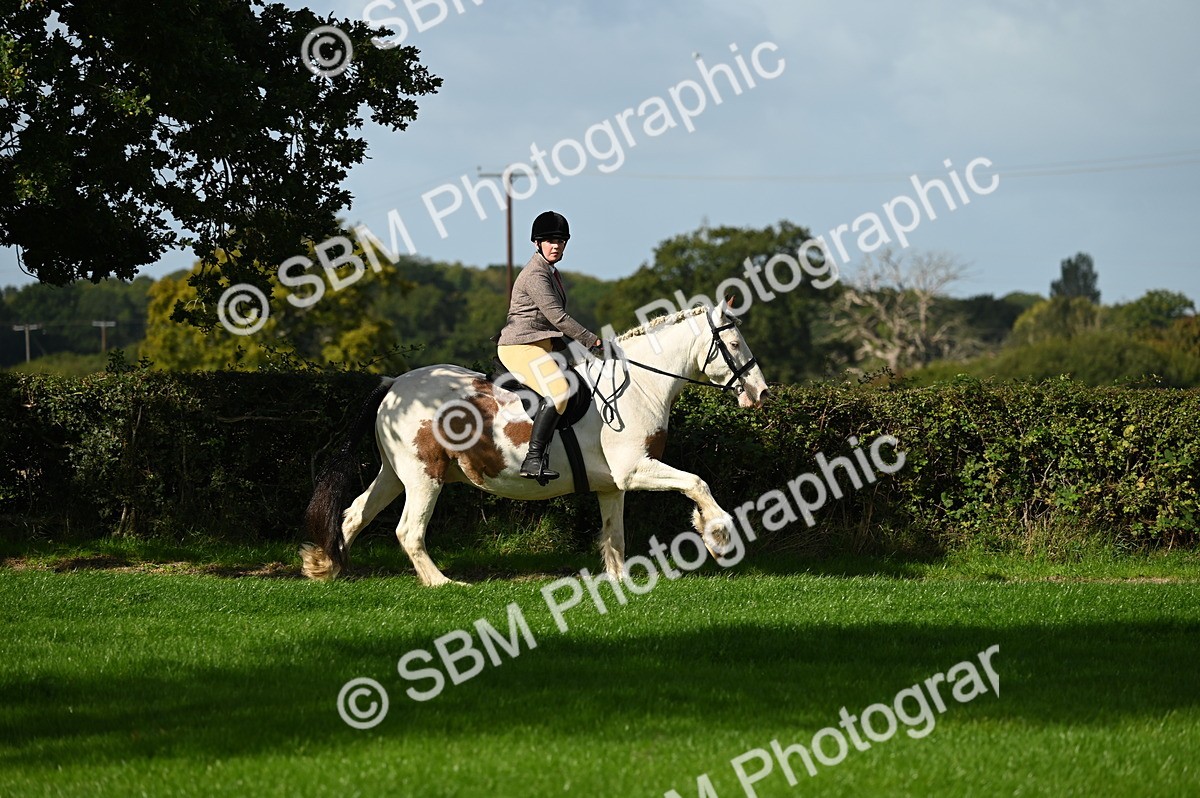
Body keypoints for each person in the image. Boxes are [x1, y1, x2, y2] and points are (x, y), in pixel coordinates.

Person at [497, 211, 606, 482]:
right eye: (548, 240)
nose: (555, 245)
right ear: (536, 243)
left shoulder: (551, 272)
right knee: (559, 390)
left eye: (560, 240)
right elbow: (558, 318)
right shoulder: (536, 274)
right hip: (519, 346)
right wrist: (592, 341)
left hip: (541, 345)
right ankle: (533, 459)